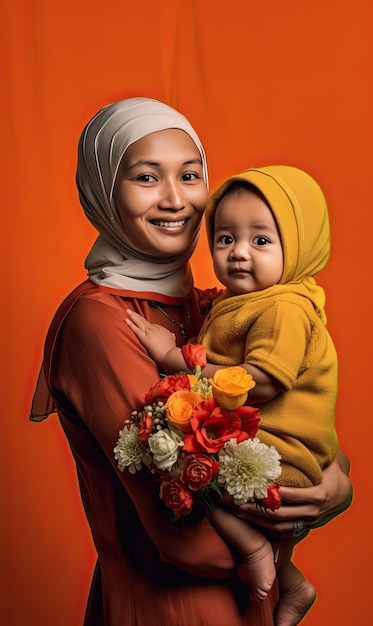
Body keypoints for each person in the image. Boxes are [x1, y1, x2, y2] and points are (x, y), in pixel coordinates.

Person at [30, 98, 352, 626]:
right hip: (169, 607)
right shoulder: (100, 321)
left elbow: (291, 414)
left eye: (190, 174)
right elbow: (188, 535)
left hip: (253, 601)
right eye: (146, 178)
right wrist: (295, 518)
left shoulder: (215, 305)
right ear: (103, 190)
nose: (176, 200)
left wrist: (337, 482)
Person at [125, 165, 340, 625]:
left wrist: (174, 357)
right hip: (269, 446)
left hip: (287, 454)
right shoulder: (242, 299)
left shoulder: (283, 308)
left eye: (261, 240)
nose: (239, 253)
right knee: (193, 459)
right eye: (225, 239)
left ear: (298, 247)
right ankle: (293, 581)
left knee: (190, 470)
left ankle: (256, 546)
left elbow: (260, 382)